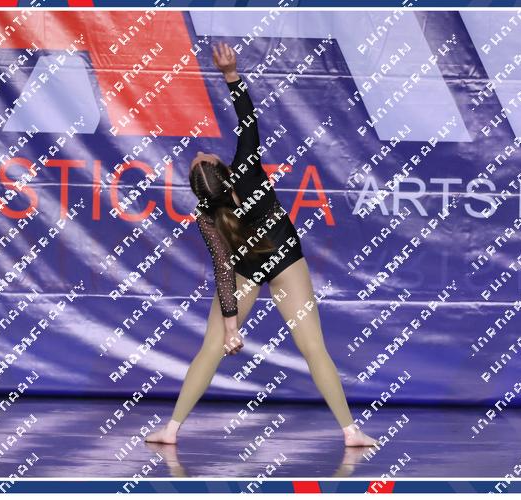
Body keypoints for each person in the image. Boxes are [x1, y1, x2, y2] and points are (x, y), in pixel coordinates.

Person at [145, 42, 377, 448]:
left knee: (211, 348)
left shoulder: (206, 214)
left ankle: (171, 431)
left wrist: (231, 330)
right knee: (313, 347)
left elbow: (223, 270)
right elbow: (248, 120)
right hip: (284, 259)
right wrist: (230, 75)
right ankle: (351, 432)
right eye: (203, 156)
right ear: (222, 168)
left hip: (246, 271)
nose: (200, 150)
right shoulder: (246, 171)